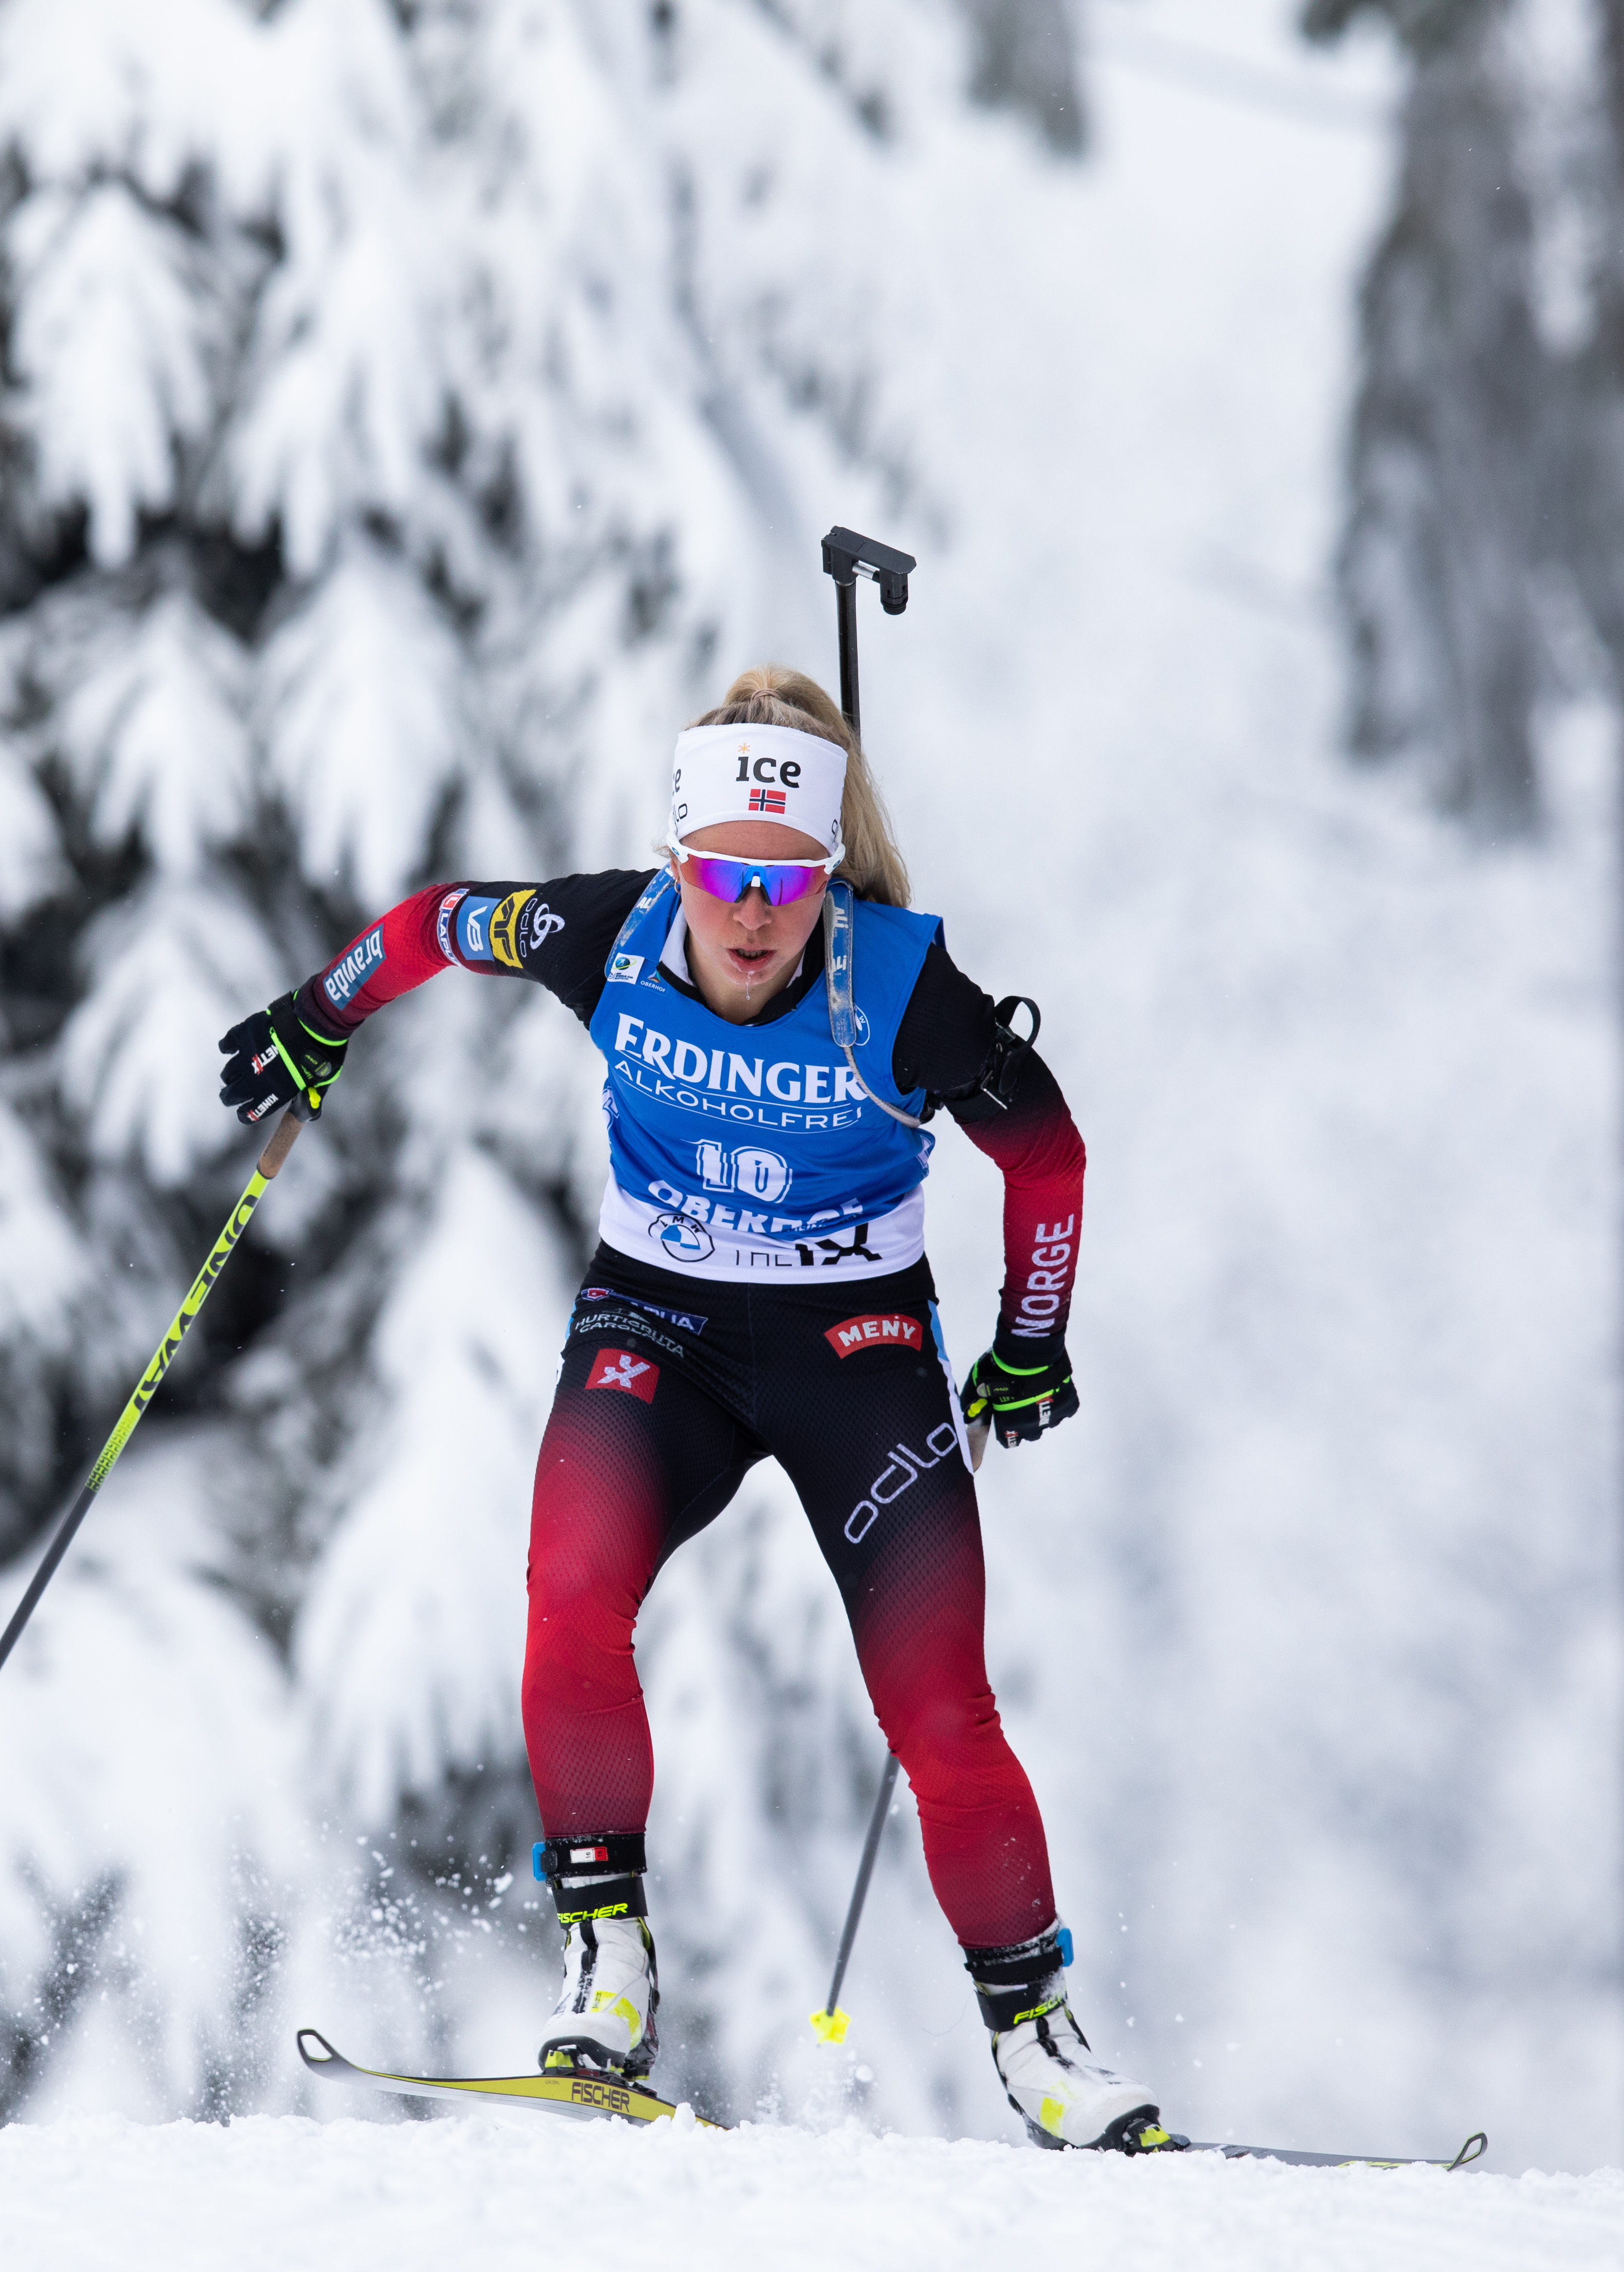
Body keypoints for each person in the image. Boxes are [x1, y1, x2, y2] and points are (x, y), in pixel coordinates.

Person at [216, 665, 1166, 2152]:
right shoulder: (608, 935)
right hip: (658, 1323)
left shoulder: (902, 993)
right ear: (680, 865)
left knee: (940, 1705)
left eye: (789, 876)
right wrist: (318, 1018)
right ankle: (610, 1964)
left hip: (853, 1348)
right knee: (569, 1597)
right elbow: (438, 923)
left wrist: (1026, 1343)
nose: (754, 911)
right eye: (726, 873)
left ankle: (1041, 2041)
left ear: (826, 871)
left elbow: (1048, 1161)